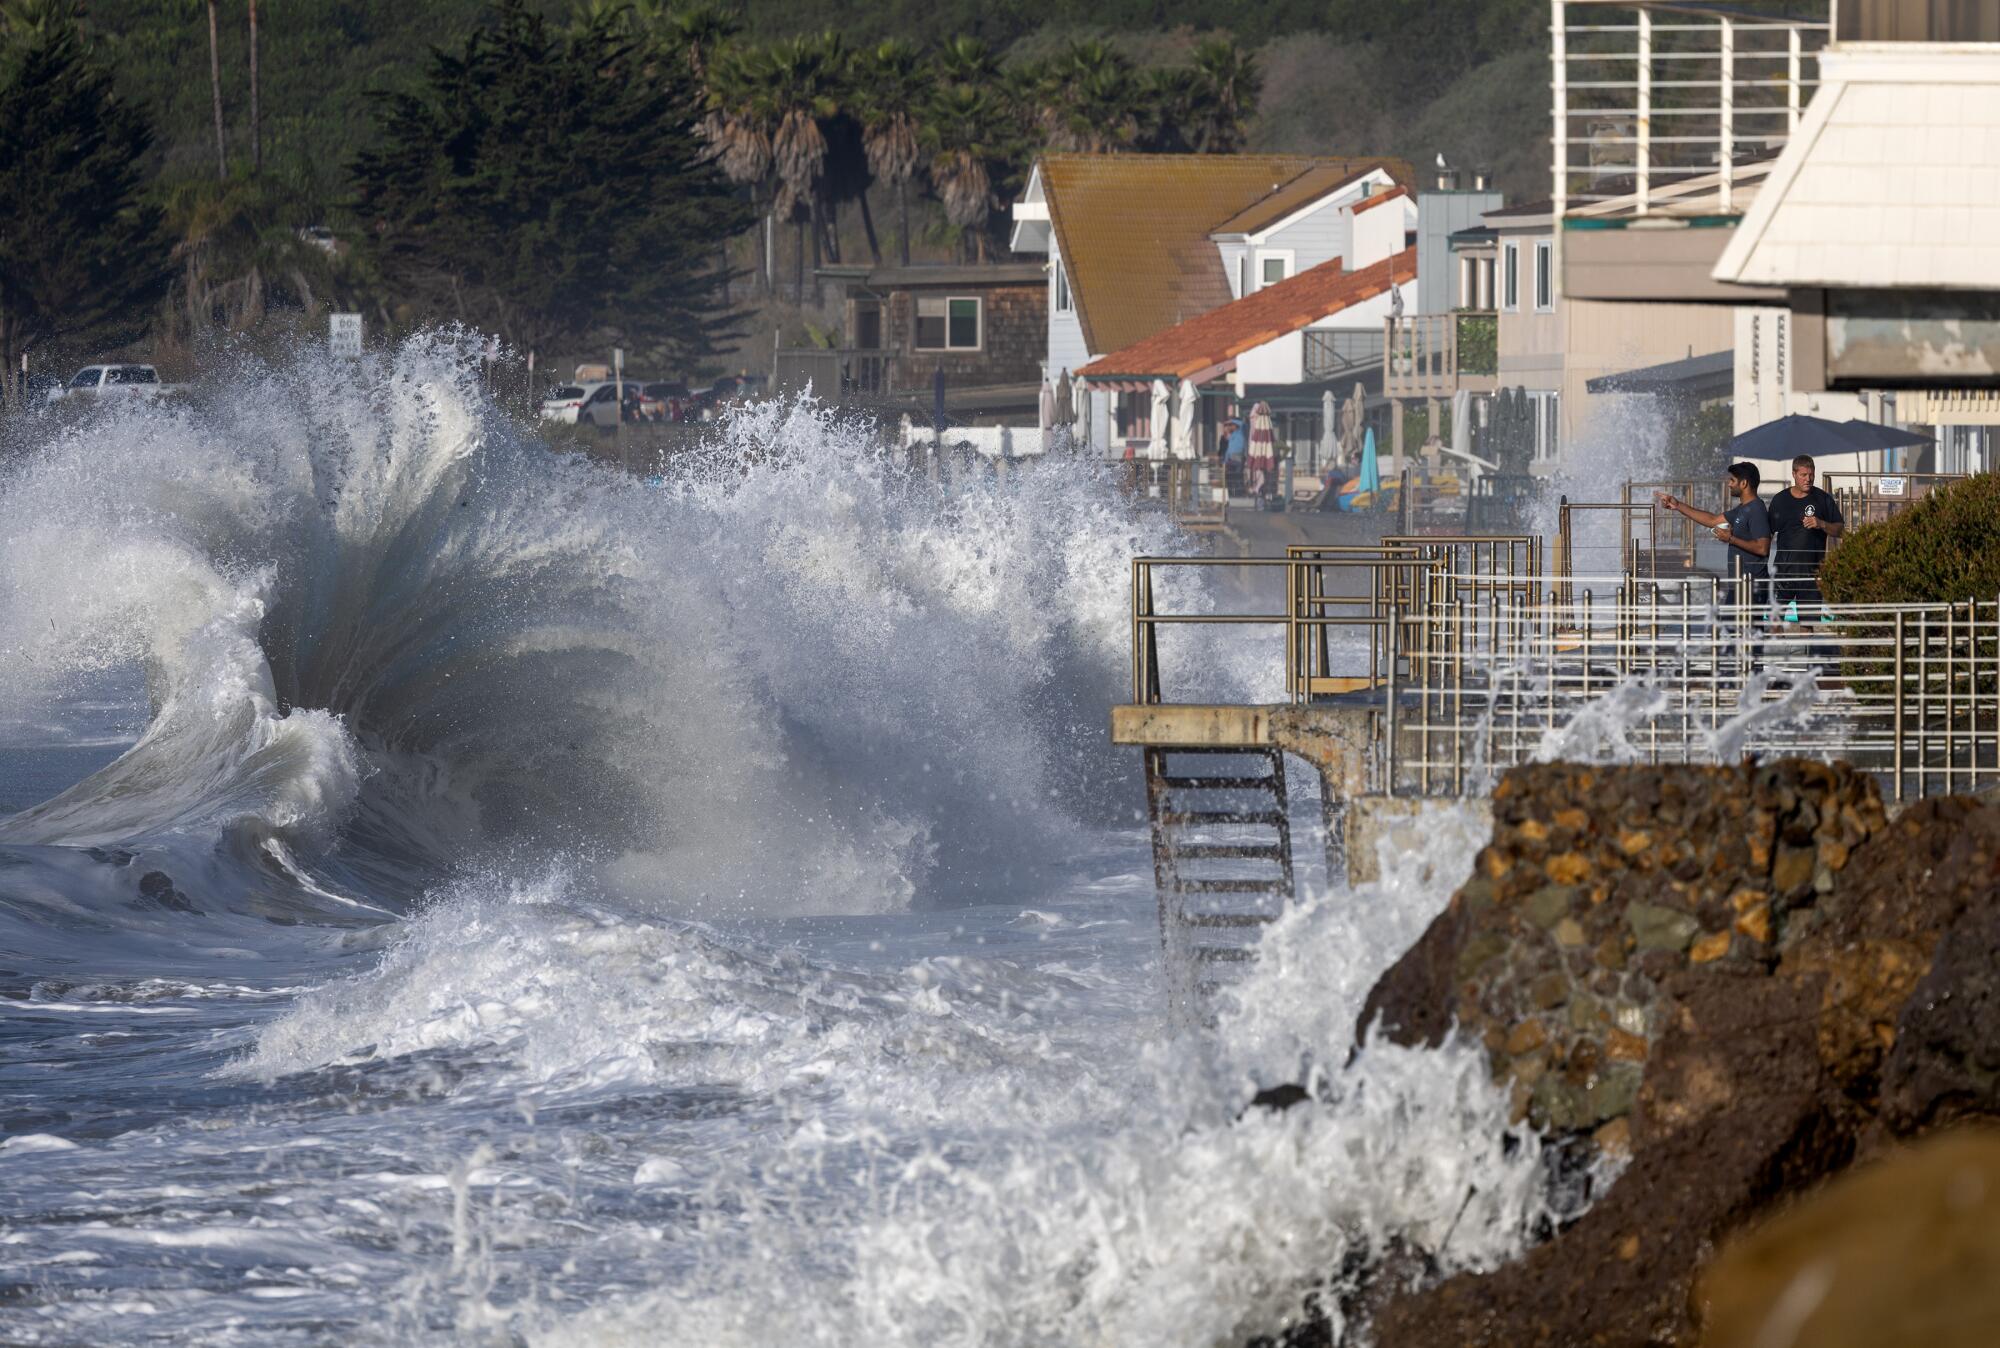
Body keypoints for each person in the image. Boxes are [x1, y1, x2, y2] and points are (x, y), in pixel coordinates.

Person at [1764, 454, 1845, 666]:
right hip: (1784, 570)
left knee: (1807, 623)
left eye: (1811, 475)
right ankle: (1781, 661)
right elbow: (1767, 533)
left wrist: (1821, 524)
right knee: (1774, 618)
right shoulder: (1780, 500)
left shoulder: (1823, 499)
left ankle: (1802, 664)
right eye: (1803, 475)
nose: (1808, 479)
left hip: (1812, 572)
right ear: (1794, 475)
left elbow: (1840, 529)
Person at [1656, 461, 1771, 606]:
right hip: (1739, 585)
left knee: (1739, 627)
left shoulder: (1757, 509)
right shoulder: (1742, 508)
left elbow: (1762, 548)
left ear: (1744, 484)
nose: (1729, 484)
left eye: (1732, 480)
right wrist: (1678, 505)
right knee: (1730, 626)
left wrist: (1730, 538)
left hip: (1752, 587)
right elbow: (1712, 520)